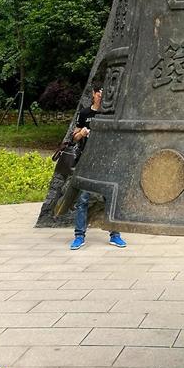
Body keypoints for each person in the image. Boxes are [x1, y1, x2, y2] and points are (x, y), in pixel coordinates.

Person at [69, 84, 126, 250]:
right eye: (99, 92)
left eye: (104, 92)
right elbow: (75, 137)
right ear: (93, 94)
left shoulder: (109, 114)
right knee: (82, 200)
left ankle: (115, 235)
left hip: (107, 161)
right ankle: (79, 236)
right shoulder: (86, 113)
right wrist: (82, 133)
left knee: (111, 199)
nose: (101, 95)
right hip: (87, 161)